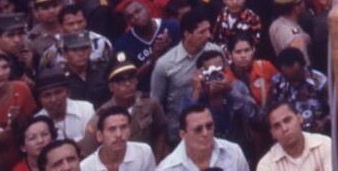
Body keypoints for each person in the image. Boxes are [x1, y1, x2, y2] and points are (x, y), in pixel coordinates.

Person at [150, 10, 220, 145]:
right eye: (202, 32)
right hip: (179, 134)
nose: (208, 35)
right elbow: (156, 104)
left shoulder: (215, 53)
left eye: (208, 30)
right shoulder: (165, 64)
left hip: (213, 127)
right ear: (187, 34)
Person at [155, 105, 247, 171]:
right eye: (198, 129)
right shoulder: (167, 168)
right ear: (183, 135)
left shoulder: (234, 153)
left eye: (209, 126)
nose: (205, 133)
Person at [255, 101, 331, 171]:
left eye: (287, 120)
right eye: (277, 126)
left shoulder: (325, 145)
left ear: (299, 118)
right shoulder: (266, 165)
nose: (284, 129)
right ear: (272, 133)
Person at [79, 107, 155, 171]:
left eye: (123, 127)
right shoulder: (85, 168)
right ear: (99, 136)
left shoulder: (143, 153)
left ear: (130, 131)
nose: (119, 134)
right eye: (112, 129)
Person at [34, 69, 94, 142]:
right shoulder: (37, 121)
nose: (53, 99)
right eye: (47, 95)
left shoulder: (85, 109)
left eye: (58, 92)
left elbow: (92, 139)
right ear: (40, 99)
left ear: (68, 92)